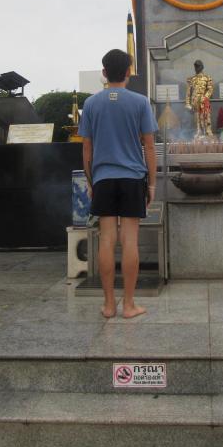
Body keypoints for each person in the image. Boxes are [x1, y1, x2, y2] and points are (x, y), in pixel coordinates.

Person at [79, 49, 157, 319]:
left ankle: (109, 304)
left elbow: (86, 149)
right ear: (128, 72)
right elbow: (149, 146)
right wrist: (152, 184)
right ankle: (129, 304)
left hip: (103, 179)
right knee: (130, 240)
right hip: (133, 178)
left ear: (103, 73)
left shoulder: (90, 104)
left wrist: (91, 182)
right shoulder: (140, 102)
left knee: (107, 240)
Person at [185, 59, 214, 137]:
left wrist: (205, 97)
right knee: (197, 118)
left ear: (202, 67)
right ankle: (198, 131)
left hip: (204, 101)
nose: (197, 68)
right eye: (196, 67)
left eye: (198, 66)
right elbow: (188, 92)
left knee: (206, 117)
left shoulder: (207, 78)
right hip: (195, 101)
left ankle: (208, 132)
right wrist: (187, 103)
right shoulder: (191, 79)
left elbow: (210, 89)